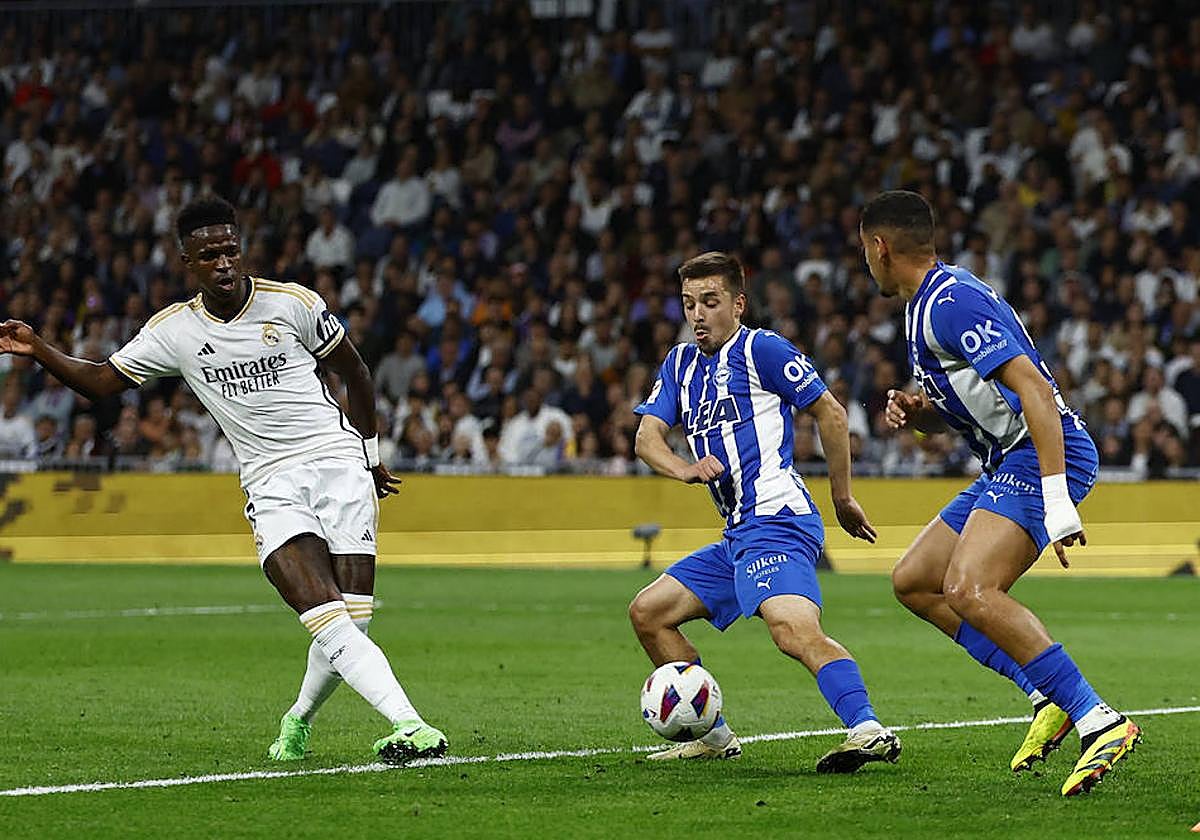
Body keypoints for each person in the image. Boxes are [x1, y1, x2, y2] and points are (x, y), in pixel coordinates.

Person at [0, 195, 446, 765]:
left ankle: (296, 722)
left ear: (242, 249)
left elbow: (355, 372)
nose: (224, 263)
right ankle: (410, 725)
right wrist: (38, 349)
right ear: (188, 262)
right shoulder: (175, 331)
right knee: (324, 613)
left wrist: (370, 453)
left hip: (338, 464)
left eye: (230, 250)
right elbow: (101, 382)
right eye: (209, 255)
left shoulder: (294, 304)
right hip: (270, 481)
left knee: (351, 619)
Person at [859, 190, 1139, 797]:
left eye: (865, 250)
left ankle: (1100, 720)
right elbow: (971, 406)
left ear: (880, 247)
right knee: (916, 581)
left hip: (1041, 454)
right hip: (1005, 460)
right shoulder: (924, 306)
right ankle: (1049, 695)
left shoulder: (952, 302)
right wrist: (921, 412)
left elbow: (1036, 392)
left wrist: (1057, 496)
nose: (866, 262)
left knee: (969, 588)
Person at [628, 251, 900, 772]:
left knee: (792, 631)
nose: (698, 315)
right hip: (737, 534)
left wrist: (841, 498)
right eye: (689, 304)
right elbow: (646, 438)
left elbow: (831, 412)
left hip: (777, 519)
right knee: (649, 613)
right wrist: (683, 468)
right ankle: (712, 735)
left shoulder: (762, 349)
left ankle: (867, 728)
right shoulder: (681, 364)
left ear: (738, 303)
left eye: (710, 302)